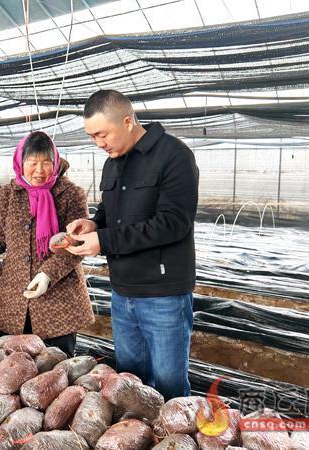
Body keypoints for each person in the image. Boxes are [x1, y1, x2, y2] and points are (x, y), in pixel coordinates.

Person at [66, 90, 199, 400]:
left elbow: (173, 223)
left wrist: (104, 240)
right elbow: (110, 212)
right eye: (92, 137)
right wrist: (95, 224)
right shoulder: (113, 163)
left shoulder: (174, 155)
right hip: (123, 291)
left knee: (168, 383)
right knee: (128, 378)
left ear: (127, 122)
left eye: (102, 134)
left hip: (162, 293)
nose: (98, 143)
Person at [0, 131, 94, 356]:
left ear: (55, 162)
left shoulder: (71, 194)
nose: (40, 170)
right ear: (21, 162)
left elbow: (76, 243)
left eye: (47, 163)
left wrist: (47, 274)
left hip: (58, 300)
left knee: (55, 364)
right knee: (10, 363)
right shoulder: (6, 194)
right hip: (13, 297)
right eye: (33, 162)